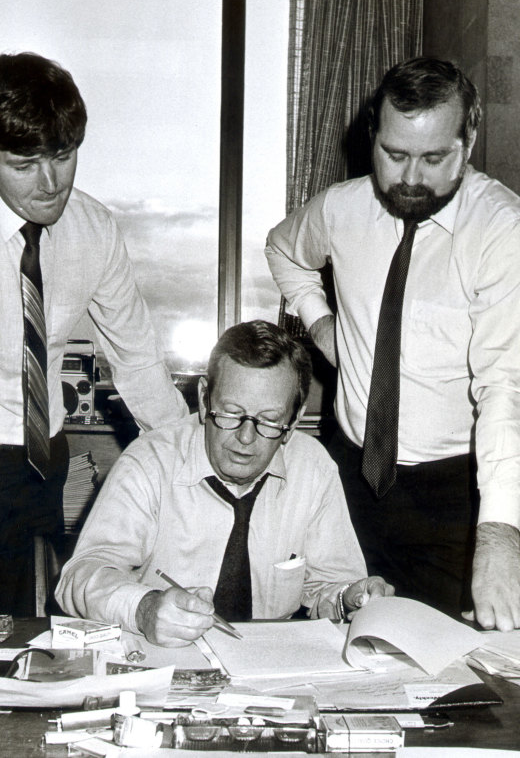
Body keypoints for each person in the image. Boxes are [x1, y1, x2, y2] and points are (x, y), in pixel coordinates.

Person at [265, 56, 520, 632]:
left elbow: (506, 387)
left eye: (434, 159)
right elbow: (283, 251)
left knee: (447, 673)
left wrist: (501, 534)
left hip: (454, 495)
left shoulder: (502, 230)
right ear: (372, 134)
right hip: (350, 476)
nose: (410, 179)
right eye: (394, 154)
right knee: (338, 656)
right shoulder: (341, 208)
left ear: (469, 139)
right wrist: (325, 329)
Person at [0, 51, 187, 616]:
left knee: (34, 634)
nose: (50, 184)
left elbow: (139, 361)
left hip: (39, 458)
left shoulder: (94, 228)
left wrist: (191, 458)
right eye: (25, 164)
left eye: (63, 156)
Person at [56, 320, 393, 647]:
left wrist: (350, 597)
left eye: (270, 421)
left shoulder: (313, 469)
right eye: (231, 413)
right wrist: (144, 608)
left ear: (294, 421)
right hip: (166, 657)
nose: (246, 438)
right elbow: (81, 576)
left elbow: (331, 585)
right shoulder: (150, 462)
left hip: (270, 664)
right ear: (204, 399)